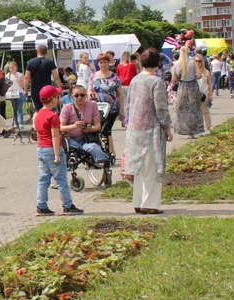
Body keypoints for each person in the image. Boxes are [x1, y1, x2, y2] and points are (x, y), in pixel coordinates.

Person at [123, 48, 174, 215]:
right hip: (151, 130)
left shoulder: (135, 80)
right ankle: (150, 204)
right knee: (152, 168)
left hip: (134, 129)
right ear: (157, 62)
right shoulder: (156, 82)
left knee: (139, 168)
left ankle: (138, 202)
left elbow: (128, 104)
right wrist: (168, 128)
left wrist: (130, 122)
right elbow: (161, 108)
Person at [36, 85, 80, 216]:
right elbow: (55, 136)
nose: (59, 99)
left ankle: (41, 206)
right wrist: (57, 154)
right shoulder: (53, 116)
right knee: (61, 179)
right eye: (57, 96)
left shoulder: (38, 114)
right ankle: (68, 205)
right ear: (53, 99)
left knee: (43, 179)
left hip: (41, 149)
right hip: (52, 149)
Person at [87, 53, 125, 158]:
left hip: (112, 107)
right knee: (100, 129)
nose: (103, 64)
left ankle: (110, 152)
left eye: (105, 62)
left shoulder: (114, 77)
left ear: (108, 63)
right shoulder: (93, 76)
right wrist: (90, 94)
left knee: (106, 129)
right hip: (97, 107)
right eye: (101, 62)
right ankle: (105, 150)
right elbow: (89, 89)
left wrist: (122, 109)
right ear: (98, 63)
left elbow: (120, 94)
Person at [59, 85, 109, 163]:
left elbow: (98, 126)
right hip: (71, 140)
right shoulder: (67, 108)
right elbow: (60, 128)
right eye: (76, 95)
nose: (79, 97)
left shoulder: (92, 105)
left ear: (86, 95)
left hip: (87, 139)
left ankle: (103, 161)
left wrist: (90, 129)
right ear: (72, 97)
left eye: (82, 95)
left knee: (95, 149)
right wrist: (74, 126)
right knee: (73, 147)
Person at [172, 48, 204, 138]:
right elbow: (199, 75)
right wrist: (192, 76)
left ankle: (183, 129)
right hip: (193, 86)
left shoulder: (176, 64)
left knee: (182, 109)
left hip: (182, 87)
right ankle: (194, 131)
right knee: (194, 109)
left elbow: (174, 79)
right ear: (188, 53)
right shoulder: (193, 62)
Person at [24, 46, 58, 116]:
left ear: (37, 52)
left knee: (37, 110)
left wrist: (25, 89)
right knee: (49, 109)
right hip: (47, 90)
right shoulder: (50, 62)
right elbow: (56, 77)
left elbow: (26, 77)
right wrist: (59, 87)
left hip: (36, 89)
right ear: (46, 53)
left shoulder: (30, 62)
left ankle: (36, 123)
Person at [194, 53, 213, 136]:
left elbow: (209, 84)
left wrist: (210, 95)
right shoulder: (192, 72)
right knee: (195, 113)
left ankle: (208, 128)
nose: (198, 63)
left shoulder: (206, 72)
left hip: (204, 94)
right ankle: (198, 129)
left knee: (205, 111)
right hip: (194, 94)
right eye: (196, 61)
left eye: (199, 61)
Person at [5, 60, 26, 128]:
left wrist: (17, 80)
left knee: (19, 108)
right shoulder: (7, 76)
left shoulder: (20, 75)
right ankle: (15, 123)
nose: (11, 69)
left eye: (13, 67)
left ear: (16, 67)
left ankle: (21, 123)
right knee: (14, 109)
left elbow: (23, 85)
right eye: (10, 67)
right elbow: (6, 85)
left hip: (19, 93)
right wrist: (9, 88)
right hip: (12, 94)